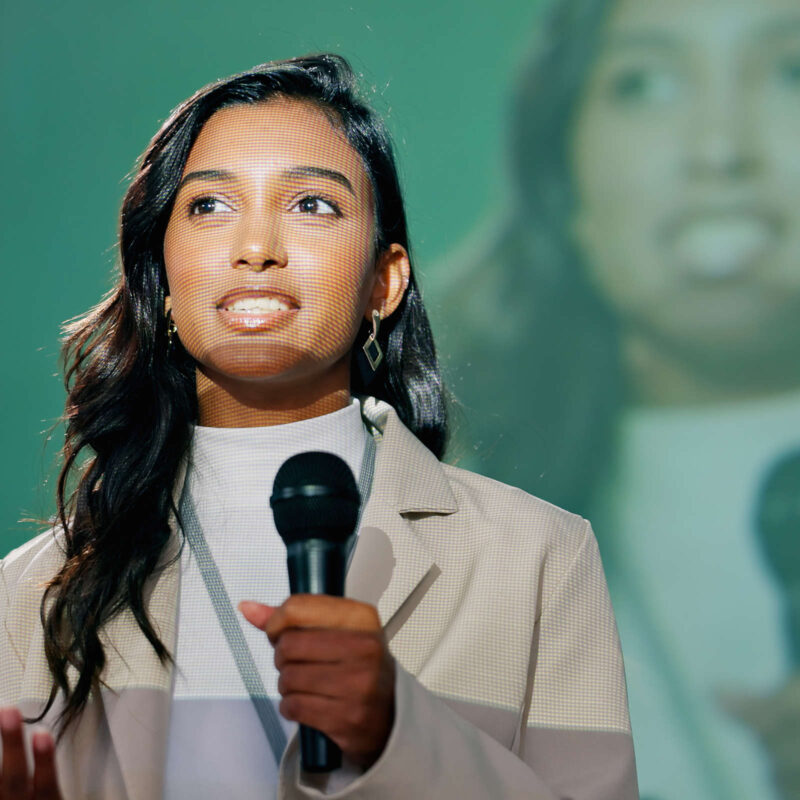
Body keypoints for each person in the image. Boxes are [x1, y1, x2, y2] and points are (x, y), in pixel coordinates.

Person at [0, 55, 637, 799]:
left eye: (312, 205)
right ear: (162, 282)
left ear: (383, 280)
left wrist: (402, 732)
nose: (256, 248)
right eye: (209, 206)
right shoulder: (33, 593)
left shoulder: (538, 558)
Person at [432, 0, 800, 797]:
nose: (719, 151)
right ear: (562, 180)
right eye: (646, 84)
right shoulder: (429, 536)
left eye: (792, 73)